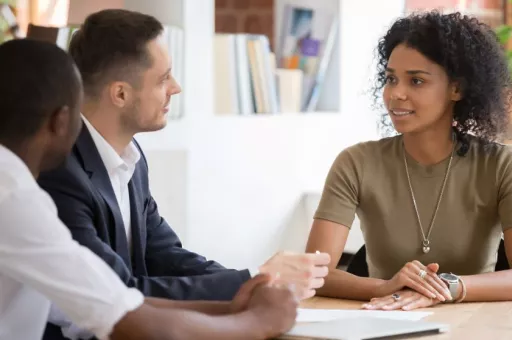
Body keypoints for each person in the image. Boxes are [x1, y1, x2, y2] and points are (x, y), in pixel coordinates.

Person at [35, 8, 329, 339]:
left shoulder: (130, 158)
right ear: (120, 94)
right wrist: (250, 280)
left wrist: (259, 284)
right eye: (163, 79)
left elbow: (167, 256)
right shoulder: (58, 173)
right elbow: (118, 292)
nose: (176, 88)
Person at [305, 10, 512, 311]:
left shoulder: (504, 165)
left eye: (416, 81)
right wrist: (387, 286)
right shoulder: (356, 162)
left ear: (456, 88)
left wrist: (446, 287)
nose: (396, 94)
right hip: (385, 322)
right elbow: (315, 274)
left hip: (477, 326)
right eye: (390, 79)